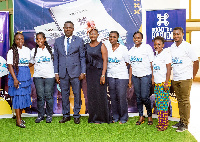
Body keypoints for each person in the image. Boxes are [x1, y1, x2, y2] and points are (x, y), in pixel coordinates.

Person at [53, 21, 86, 124]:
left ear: (73, 29)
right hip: (62, 73)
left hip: (76, 72)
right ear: (63, 28)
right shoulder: (58, 41)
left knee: (77, 94)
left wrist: (83, 71)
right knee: (64, 95)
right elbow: (56, 58)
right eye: (66, 27)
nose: (68, 29)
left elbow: (82, 57)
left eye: (70, 27)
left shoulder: (79, 41)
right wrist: (56, 73)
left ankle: (76, 115)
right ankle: (66, 115)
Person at [170, 27, 199, 132]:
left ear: (182, 34)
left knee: (185, 101)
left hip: (186, 78)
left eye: (178, 34)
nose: (176, 36)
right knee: (179, 100)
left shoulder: (188, 47)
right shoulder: (172, 47)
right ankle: (181, 121)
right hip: (176, 78)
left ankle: (185, 124)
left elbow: (196, 62)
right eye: (174, 34)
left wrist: (193, 76)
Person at [85, 28, 110, 123]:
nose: (93, 36)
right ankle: (93, 118)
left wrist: (103, 74)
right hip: (90, 73)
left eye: (94, 34)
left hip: (99, 73)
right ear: (89, 35)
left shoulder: (102, 45)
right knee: (91, 96)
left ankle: (103, 118)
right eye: (91, 34)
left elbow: (105, 61)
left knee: (101, 95)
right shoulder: (86, 46)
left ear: (98, 35)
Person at [128, 31, 154, 125]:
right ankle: (141, 116)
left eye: (138, 38)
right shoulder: (131, 51)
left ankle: (149, 116)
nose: (136, 39)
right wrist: (130, 79)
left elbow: (152, 63)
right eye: (135, 38)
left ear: (141, 39)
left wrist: (153, 77)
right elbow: (131, 66)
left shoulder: (147, 48)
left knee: (145, 97)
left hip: (146, 75)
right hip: (135, 76)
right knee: (138, 97)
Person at [7, 32, 32, 128]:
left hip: (25, 75)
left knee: (23, 97)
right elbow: (10, 66)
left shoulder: (27, 50)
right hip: (16, 75)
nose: (20, 41)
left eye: (21, 39)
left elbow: (31, 62)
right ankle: (18, 121)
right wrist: (15, 79)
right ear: (15, 40)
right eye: (18, 39)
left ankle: (20, 118)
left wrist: (25, 68)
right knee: (17, 97)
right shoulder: (11, 51)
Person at [29, 32, 55, 123]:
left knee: (48, 96)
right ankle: (40, 115)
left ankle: (49, 115)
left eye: (41, 38)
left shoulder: (51, 50)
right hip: (38, 77)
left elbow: (56, 62)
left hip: (49, 76)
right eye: (37, 39)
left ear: (44, 39)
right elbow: (31, 63)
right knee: (40, 96)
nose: (39, 40)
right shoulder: (33, 51)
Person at [106, 31, 131, 124]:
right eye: (110, 37)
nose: (112, 39)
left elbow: (128, 63)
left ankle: (124, 117)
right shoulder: (107, 48)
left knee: (121, 97)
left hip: (122, 76)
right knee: (113, 97)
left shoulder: (123, 49)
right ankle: (115, 116)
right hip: (110, 75)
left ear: (117, 38)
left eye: (114, 37)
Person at [152, 36, 171, 131]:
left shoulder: (166, 54)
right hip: (157, 83)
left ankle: (163, 125)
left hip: (163, 83)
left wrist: (167, 82)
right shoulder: (156, 54)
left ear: (163, 45)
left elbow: (168, 69)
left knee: (163, 105)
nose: (156, 46)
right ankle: (160, 122)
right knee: (159, 104)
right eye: (155, 44)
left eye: (159, 44)